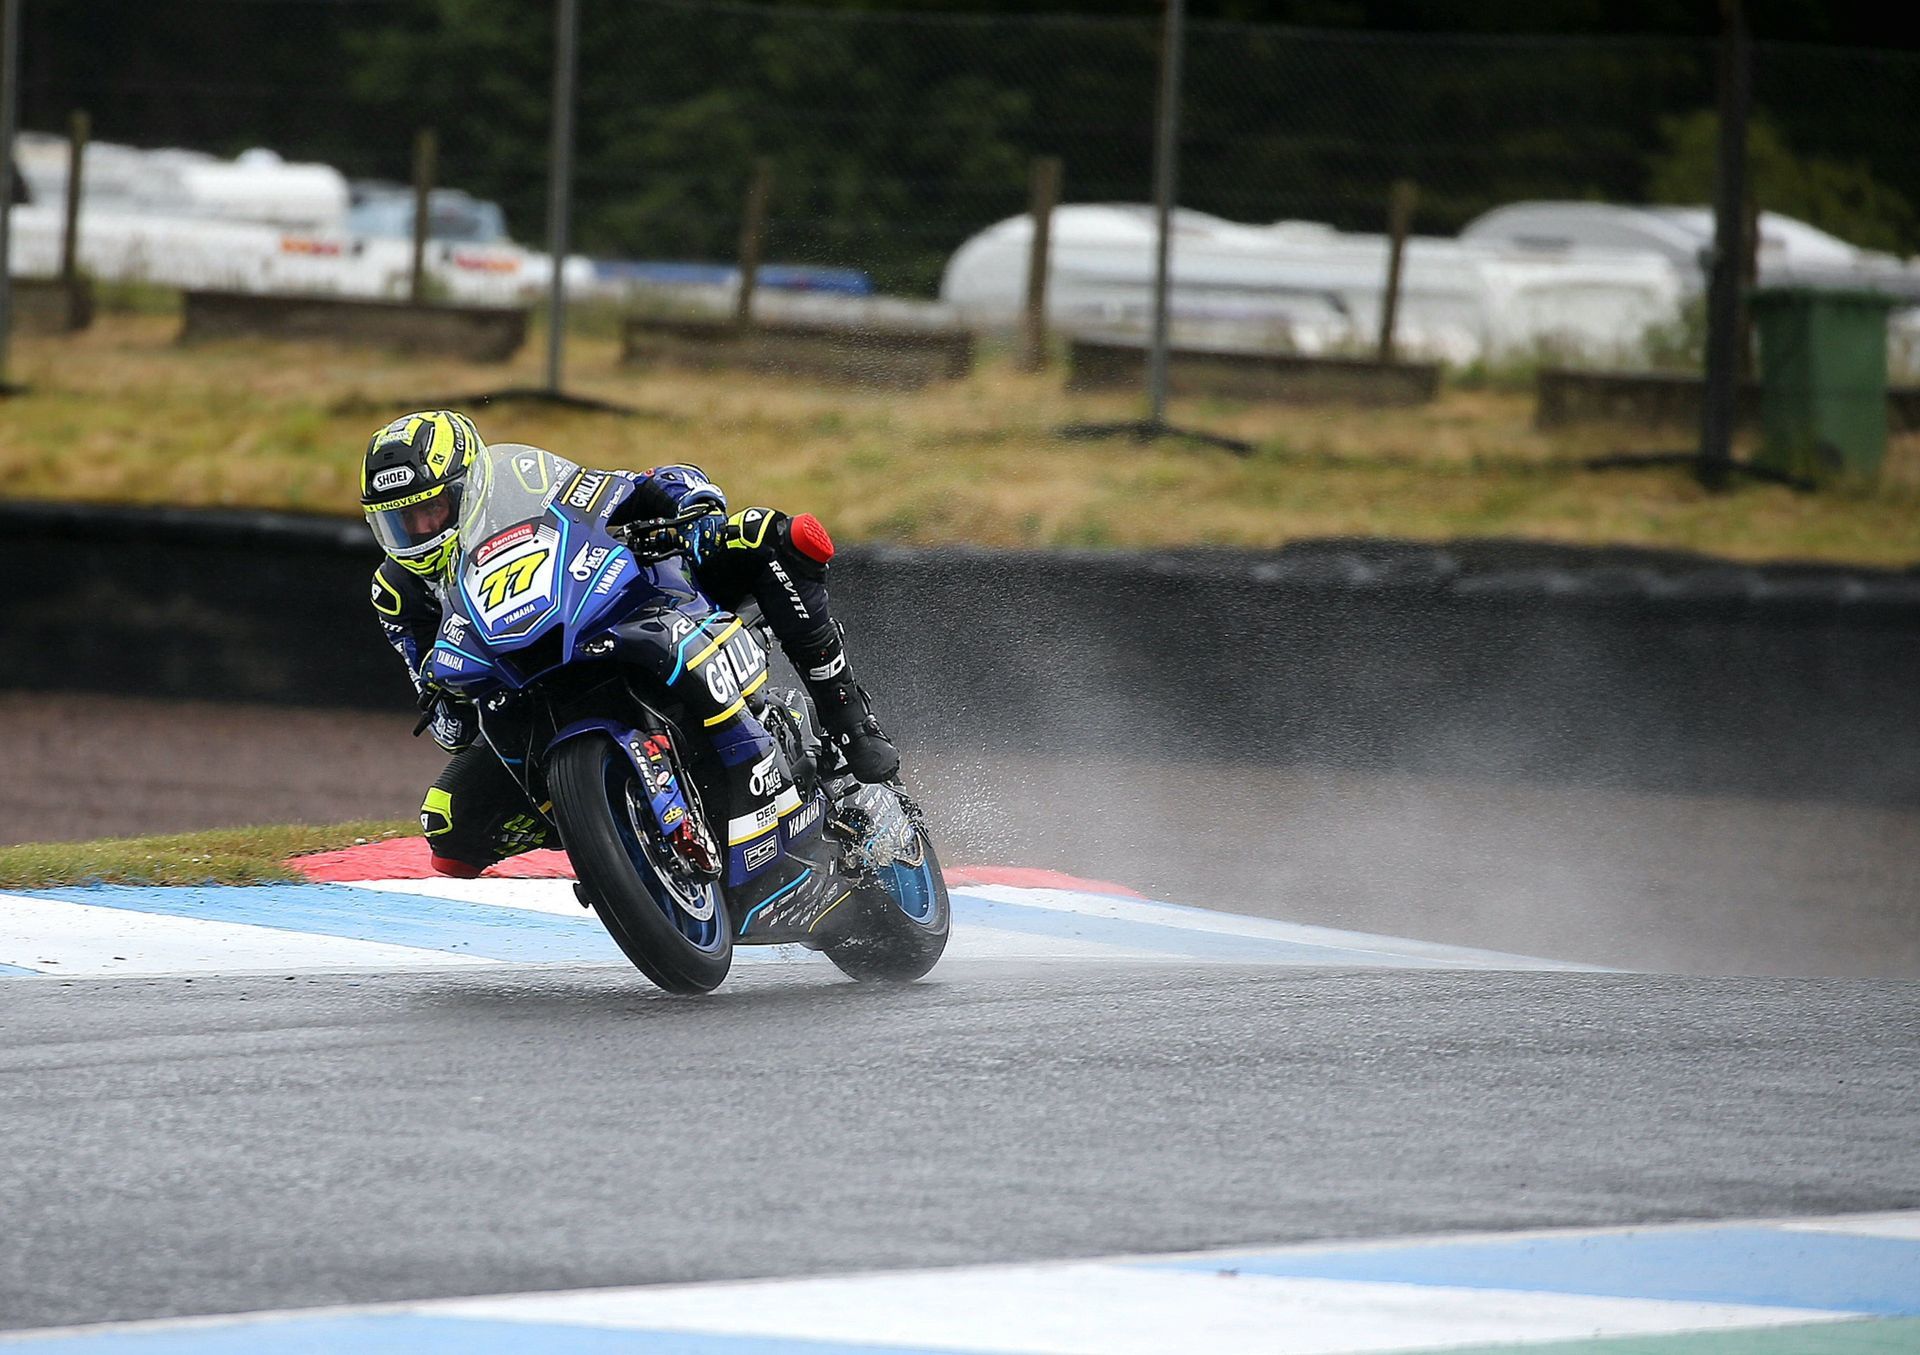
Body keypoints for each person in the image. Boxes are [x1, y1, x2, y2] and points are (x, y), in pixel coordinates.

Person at [360, 409, 898, 877]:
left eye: (429, 511)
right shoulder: (396, 592)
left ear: (470, 489)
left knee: (771, 534)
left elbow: (632, 484)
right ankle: (613, 832)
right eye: (399, 522)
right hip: (518, 685)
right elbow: (446, 723)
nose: (418, 530)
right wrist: (446, 695)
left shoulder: (522, 479)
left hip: (614, 604)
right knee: (450, 831)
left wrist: (692, 512)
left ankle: (848, 720)